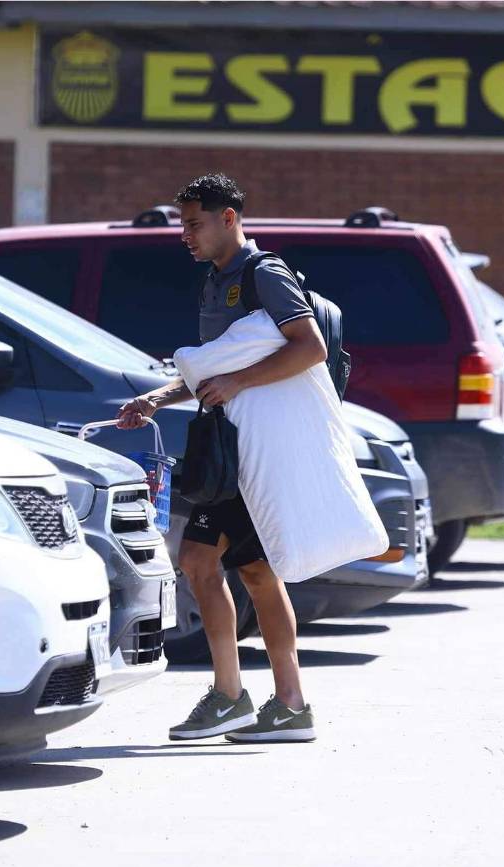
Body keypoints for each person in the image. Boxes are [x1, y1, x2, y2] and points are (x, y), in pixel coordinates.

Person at [117, 173, 327, 743]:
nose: (185, 235)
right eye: (182, 224)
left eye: (194, 223)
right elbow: (214, 369)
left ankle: (270, 701)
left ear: (228, 219)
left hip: (257, 450)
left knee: (226, 566)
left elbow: (311, 348)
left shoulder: (265, 274)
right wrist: (159, 397)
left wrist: (235, 382)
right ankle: (253, 698)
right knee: (218, 566)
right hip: (228, 449)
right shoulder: (215, 282)